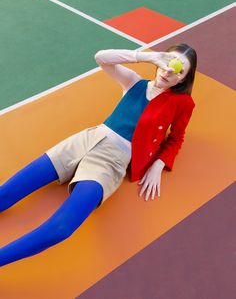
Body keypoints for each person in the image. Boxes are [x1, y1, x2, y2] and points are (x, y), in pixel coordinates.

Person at [0, 43, 197, 267]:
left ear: (183, 80)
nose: (170, 71)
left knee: (62, 227)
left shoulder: (182, 103)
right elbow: (101, 57)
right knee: (5, 194)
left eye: (180, 71)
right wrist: (147, 57)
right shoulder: (135, 83)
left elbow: (177, 138)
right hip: (84, 140)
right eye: (169, 62)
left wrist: (158, 164)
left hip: (111, 161)